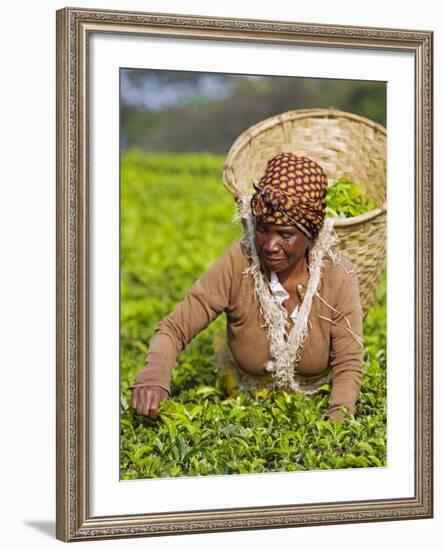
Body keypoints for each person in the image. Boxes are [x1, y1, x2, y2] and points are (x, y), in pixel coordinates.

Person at [130, 152, 363, 421]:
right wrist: (153, 376)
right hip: (243, 401)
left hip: (316, 402)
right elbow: (174, 329)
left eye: (286, 235)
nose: (269, 245)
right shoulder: (238, 261)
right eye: (263, 229)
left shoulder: (336, 273)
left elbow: (348, 362)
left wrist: (337, 422)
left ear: (310, 235)